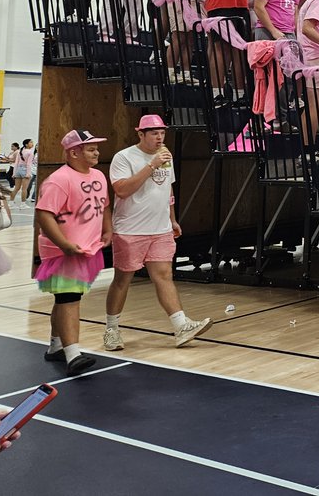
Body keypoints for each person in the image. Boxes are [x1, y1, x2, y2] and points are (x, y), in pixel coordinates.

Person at [104, 115, 212, 350]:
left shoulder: (166, 156)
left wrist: (172, 219)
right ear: (140, 134)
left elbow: (167, 188)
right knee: (122, 280)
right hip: (130, 230)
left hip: (160, 229)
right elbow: (122, 190)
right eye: (153, 133)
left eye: (162, 132)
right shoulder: (124, 157)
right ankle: (112, 329)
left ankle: (181, 326)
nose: (159, 137)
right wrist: (151, 164)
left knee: (164, 276)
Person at [36, 129, 113, 375]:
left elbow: (105, 205)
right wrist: (63, 244)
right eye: (91, 149)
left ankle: (55, 346)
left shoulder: (99, 175)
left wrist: (107, 229)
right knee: (69, 298)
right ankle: (73, 355)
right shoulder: (60, 180)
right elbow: (44, 213)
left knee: (65, 297)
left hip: (86, 249)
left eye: (96, 148)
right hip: (63, 251)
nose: (96, 153)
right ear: (74, 152)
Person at [8, 138, 35, 203]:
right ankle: (23, 204)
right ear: (26, 144)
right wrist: (28, 173)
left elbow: (16, 163)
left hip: (18, 170)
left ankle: (11, 202)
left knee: (16, 188)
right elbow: (28, 164)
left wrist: (14, 173)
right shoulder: (30, 152)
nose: (32, 144)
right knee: (24, 189)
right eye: (31, 142)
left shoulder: (20, 151)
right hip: (25, 170)